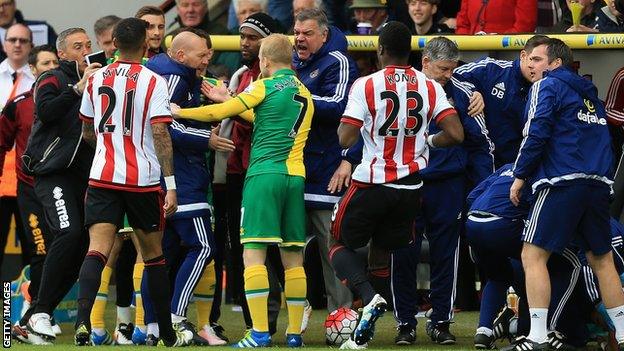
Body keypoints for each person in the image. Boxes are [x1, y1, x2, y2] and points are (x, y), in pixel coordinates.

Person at [329, 21, 464, 350]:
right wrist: (427, 139)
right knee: (385, 253)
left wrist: (366, 127)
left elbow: (345, 136)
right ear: (414, 54)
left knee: (336, 243)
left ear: (379, 50)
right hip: (411, 187)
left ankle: (370, 297)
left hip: (373, 181)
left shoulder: (367, 84)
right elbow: (457, 134)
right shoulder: (430, 86)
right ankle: (401, 319)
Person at [172, 33, 313, 348]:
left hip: (264, 176)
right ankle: (293, 334)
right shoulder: (304, 91)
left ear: (264, 60)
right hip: (295, 178)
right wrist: (229, 100)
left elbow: (215, 114)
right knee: (293, 258)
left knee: (253, 255)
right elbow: (263, 118)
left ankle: (260, 332)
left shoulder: (263, 86)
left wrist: (180, 113)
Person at [72, 17, 193, 348]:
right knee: (153, 256)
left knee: (97, 250)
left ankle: (83, 324)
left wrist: (108, 150)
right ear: (144, 44)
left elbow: (86, 130)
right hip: (142, 180)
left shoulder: (96, 79)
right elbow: (159, 132)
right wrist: (170, 183)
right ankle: (165, 331)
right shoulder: (153, 80)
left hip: (103, 177)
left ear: (113, 42)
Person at [506, 38, 624, 350]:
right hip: (598, 183)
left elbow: (536, 132)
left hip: (561, 181)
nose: (531, 65)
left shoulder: (545, 87)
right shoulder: (590, 96)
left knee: (532, 255)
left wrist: (520, 177)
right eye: (530, 59)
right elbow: (606, 142)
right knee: (602, 260)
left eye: (537, 59)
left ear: (555, 63)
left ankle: (537, 336)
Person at [390, 36, 492, 346]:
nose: (448, 75)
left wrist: (482, 189)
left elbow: (481, 145)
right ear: (425, 63)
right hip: (407, 181)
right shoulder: (400, 90)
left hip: (448, 184)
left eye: (452, 69)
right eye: (443, 69)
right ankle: (405, 323)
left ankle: (441, 322)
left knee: (446, 254)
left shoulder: (462, 94)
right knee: (402, 253)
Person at [145, 29, 232, 346]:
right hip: (180, 179)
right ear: (180, 55)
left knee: (161, 256)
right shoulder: (174, 78)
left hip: (162, 178)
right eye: (202, 54)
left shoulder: (174, 74)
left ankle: (153, 327)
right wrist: (205, 139)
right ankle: (176, 318)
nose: (208, 58)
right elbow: (166, 124)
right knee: (203, 247)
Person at [17, 27, 98, 344]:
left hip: (83, 176)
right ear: (63, 54)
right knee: (69, 232)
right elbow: (47, 111)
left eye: (88, 44)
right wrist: (78, 88)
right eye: (78, 46)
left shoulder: (99, 80)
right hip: (51, 173)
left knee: (81, 248)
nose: (85, 50)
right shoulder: (51, 79)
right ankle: (38, 312)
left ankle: (33, 316)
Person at [213, 12, 286, 337]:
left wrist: (226, 103)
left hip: (266, 171)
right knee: (239, 251)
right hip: (235, 173)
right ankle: (253, 324)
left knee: (273, 250)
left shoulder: (279, 81)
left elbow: (260, 118)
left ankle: (278, 323)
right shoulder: (241, 74)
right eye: (242, 36)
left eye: (252, 37)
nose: (245, 43)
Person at [292, 8, 359, 312]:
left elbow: (339, 106)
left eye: (307, 33)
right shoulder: (293, 64)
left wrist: (293, 96)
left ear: (324, 34)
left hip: (326, 171)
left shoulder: (338, 62)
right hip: (291, 170)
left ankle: (341, 318)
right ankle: (291, 315)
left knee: (330, 251)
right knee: (281, 248)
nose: (299, 39)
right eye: (296, 33)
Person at [2, 45, 58, 345]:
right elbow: (1, 141)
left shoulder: (71, 101)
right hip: (31, 191)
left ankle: (39, 310)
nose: (51, 66)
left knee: (67, 250)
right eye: (45, 63)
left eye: (55, 62)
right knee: (40, 252)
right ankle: (31, 316)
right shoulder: (20, 105)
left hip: (63, 190)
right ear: (33, 69)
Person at [453, 34, 551, 167]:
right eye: (534, 59)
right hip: (478, 160)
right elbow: (453, 76)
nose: (535, 66)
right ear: (523, 56)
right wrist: (472, 91)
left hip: (516, 166)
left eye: (542, 62)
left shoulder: (549, 88)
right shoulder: (492, 69)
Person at [0, 22, 34, 273]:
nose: (17, 44)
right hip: (1, 176)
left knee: (33, 245)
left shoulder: (39, 82)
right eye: (13, 40)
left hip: (27, 177)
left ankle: (28, 302)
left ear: (30, 46)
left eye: (23, 40)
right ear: (4, 44)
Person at [168, 0, 239, 75]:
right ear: (178, 10)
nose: (190, 10)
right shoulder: (168, 39)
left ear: (205, 7)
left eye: (196, 4)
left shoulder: (223, 33)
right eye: (185, 5)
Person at [455, 0, 537, 34]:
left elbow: (525, 25)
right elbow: (462, 24)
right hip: (470, 52)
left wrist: (499, 41)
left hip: (506, 52)